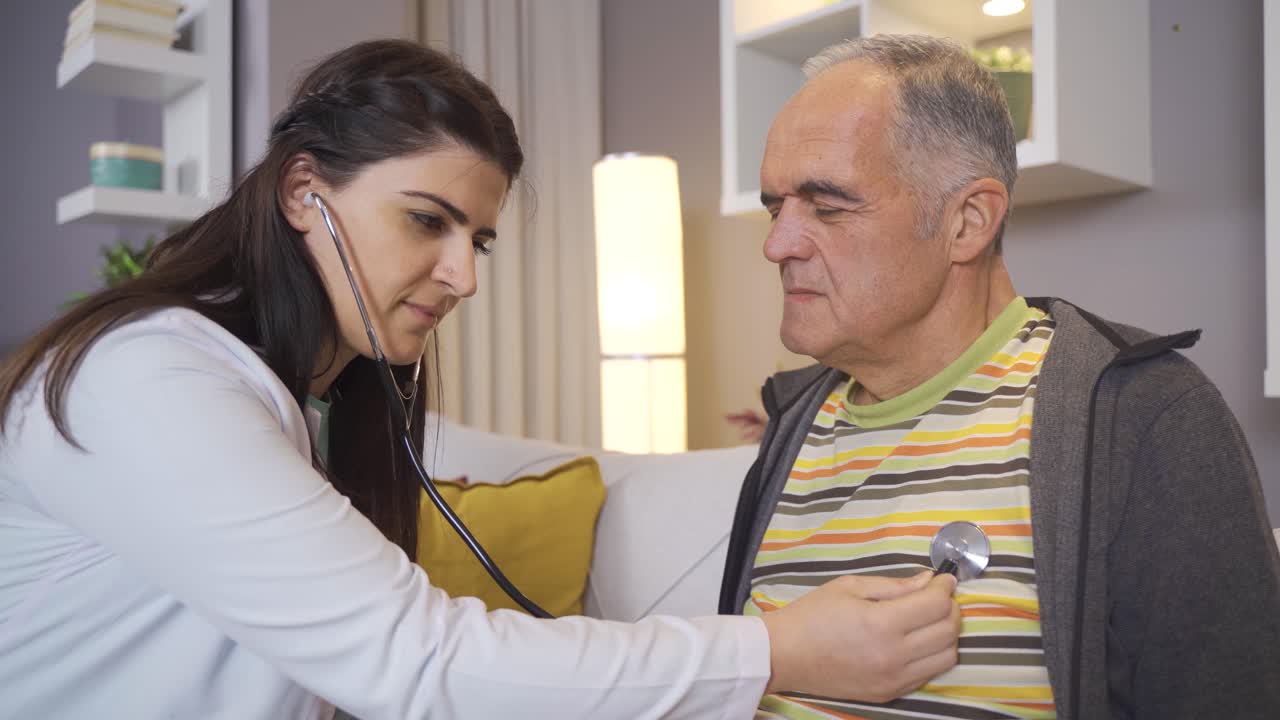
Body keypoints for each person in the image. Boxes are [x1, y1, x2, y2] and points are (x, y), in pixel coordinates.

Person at [0, 40, 962, 719]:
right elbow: (417, 662)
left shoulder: (312, 405)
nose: (464, 275)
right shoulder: (150, 380)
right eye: (427, 221)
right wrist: (779, 651)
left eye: (479, 238)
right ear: (305, 193)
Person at [718, 34, 1280, 720]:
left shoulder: (1146, 417)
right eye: (777, 206)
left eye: (828, 207)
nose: (775, 244)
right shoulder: (791, 428)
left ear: (968, 222)